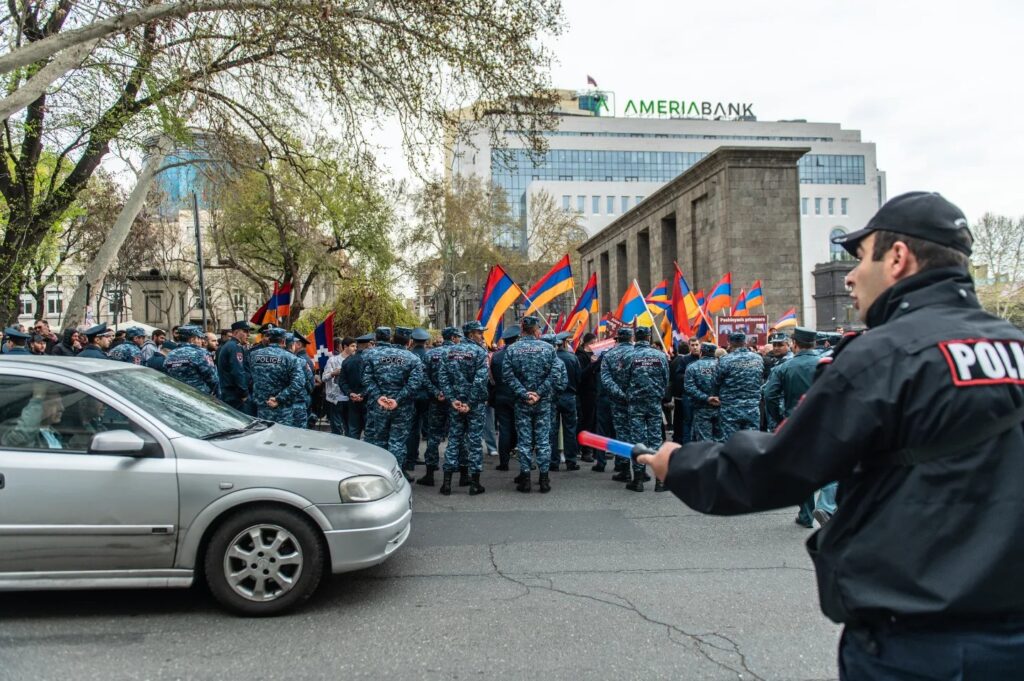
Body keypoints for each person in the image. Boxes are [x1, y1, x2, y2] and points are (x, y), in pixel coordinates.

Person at [640, 191, 1024, 679]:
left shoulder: (882, 355)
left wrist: (681, 464)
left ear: (898, 258)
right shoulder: (1014, 345)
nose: (849, 276)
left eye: (861, 258)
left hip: (917, 638)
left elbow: (782, 466)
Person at [762, 327, 833, 528]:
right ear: (814, 343)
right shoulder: (828, 364)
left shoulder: (784, 367)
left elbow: (770, 395)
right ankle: (826, 506)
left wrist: (779, 418)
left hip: (796, 422)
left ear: (794, 343)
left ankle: (806, 515)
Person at [502, 315, 563, 493]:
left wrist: (524, 393)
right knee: (543, 441)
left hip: (522, 402)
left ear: (522, 329)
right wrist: (539, 393)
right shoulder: (548, 348)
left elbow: (507, 375)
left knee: (524, 441)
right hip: (542, 402)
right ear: (537, 330)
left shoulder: (512, 349)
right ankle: (544, 480)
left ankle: (526, 479)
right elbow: (556, 374)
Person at [361, 326, 424, 477]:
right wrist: (397, 399)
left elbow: (366, 379)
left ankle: (380, 476)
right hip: (402, 408)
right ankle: (396, 477)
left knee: (380, 441)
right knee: (398, 443)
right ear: (409, 342)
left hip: (380, 406)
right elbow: (415, 384)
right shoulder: (413, 358)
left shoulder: (373, 355)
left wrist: (378, 396)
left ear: (393, 339)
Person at [437, 321, 489, 495]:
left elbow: (443, 378)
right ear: (471, 334)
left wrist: (452, 399)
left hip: (456, 404)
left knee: (454, 440)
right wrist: (470, 403)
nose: (482, 336)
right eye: (479, 333)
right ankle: (475, 484)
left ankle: (446, 484)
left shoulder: (449, 351)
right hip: (474, 405)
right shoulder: (479, 352)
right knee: (474, 442)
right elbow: (480, 380)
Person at [625, 326, 669, 492]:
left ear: (635, 337)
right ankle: (660, 481)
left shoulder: (629, 356)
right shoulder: (660, 355)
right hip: (653, 401)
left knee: (637, 439)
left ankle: (638, 480)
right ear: (649, 337)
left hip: (635, 402)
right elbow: (666, 379)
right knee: (656, 438)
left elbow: (624, 379)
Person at [418, 327, 460, 485]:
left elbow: (423, 377)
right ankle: (462, 473)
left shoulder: (430, 354)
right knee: (457, 435)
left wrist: (436, 392)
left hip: (437, 401)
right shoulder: (461, 353)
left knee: (433, 436)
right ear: (454, 338)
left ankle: (430, 473)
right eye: (458, 337)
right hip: (456, 401)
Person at [600, 327, 636, 482]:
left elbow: (606, 380)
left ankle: (625, 470)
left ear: (618, 338)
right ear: (631, 338)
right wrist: (634, 395)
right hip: (637, 402)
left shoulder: (609, 355)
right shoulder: (639, 353)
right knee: (638, 434)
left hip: (618, 402)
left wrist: (621, 395)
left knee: (622, 435)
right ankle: (640, 470)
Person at [249, 327, 306, 425]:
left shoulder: (253, 355)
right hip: (282, 410)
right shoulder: (290, 358)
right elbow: (299, 383)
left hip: (261, 408)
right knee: (281, 434)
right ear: (283, 341)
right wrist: (279, 399)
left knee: (264, 433)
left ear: (269, 340)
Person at [715, 332, 764, 439]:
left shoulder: (725, 360)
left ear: (730, 343)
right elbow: (760, 379)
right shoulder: (758, 358)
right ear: (745, 342)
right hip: (752, 407)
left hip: (730, 408)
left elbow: (716, 381)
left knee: (731, 442)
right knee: (752, 441)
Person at [550, 331, 581, 472]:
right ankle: (571, 461)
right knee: (570, 430)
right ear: (564, 343)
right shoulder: (572, 358)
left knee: (553, 430)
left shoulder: (551, 358)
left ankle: (553, 462)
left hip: (554, 397)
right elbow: (578, 378)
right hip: (569, 396)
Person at [1, 383, 65, 448]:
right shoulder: (11, 428)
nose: (61, 408)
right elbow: (22, 437)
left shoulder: (54, 434)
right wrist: (37, 398)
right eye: (54, 404)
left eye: (60, 403)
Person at [164, 326, 220, 396]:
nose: (202, 341)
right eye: (200, 338)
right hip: (199, 396)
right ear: (193, 339)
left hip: (177, 395)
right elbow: (213, 379)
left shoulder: (170, 354)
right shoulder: (201, 353)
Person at [405, 328, 432, 471]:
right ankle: (430, 459)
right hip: (427, 396)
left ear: (413, 341)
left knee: (412, 428)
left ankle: (411, 458)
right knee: (429, 428)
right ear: (425, 341)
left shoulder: (408, 355)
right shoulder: (429, 355)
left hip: (411, 396)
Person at [684, 342, 721, 442]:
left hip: (701, 409)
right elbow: (729, 385)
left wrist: (706, 398)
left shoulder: (692, 367)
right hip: (720, 407)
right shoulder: (723, 365)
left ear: (701, 352)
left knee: (704, 441)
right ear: (714, 352)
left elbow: (689, 387)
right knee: (720, 440)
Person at [339, 334, 373, 439]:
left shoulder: (347, 361)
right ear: (368, 345)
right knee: (370, 432)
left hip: (353, 401)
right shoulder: (372, 360)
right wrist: (362, 394)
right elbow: (373, 382)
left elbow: (342, 381)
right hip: (368, 401)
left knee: (353, 430)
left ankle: (353, 450)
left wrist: (350, 393)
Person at [670, 337, 701, 445]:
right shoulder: (684, 360)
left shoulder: (703, 358)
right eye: (692, 345)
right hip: (688, 396)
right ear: (689, 347)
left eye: (696, 345)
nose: (695, 347)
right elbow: (678, 376)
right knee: (687, 421)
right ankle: (687, 445)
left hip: (701, 396)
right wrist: (690, 375)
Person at [217, 321, 252, 412]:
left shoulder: (232, 345)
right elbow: (238, 371)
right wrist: (244, 393)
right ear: (236, 332)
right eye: (245, 331)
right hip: (234, 394)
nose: (248, 334)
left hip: (232, 393)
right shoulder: (234, 347)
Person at [575, 332, 598, 462]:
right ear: (588, 344)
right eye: (594, 342)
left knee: (594, 422)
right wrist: (592, 364)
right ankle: (586, 451)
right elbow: (581, 375)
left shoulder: (594, 354)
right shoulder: (580, 356)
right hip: (585, 394)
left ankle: (595, 450)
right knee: (586, 422)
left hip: (595, 393)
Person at [323, 337, 353, 436]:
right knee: (336, 428)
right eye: (353, 346)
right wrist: (333, 373)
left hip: (350, 398)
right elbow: (324, 378)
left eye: (356, 346)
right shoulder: (333, 360)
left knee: (349, 428)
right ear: (345, 346)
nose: (355, 348)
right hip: (335, 399)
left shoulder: (355, 361)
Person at [288, 333, 315, 428]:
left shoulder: (301, 360)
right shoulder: (303, 358)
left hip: (300, 399)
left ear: (298, 344)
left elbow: (308, 384)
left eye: (293, 343)